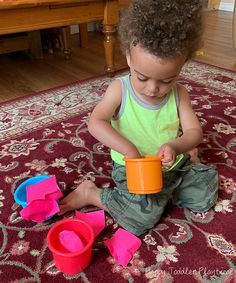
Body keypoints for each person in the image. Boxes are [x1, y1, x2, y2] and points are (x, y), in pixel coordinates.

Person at [59, 0, 218, 236]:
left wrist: (176, 145)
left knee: (205, 193)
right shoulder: (119, 89)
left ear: (182, 66)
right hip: (132, 167)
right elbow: (95, 122)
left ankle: (166, 189)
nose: (152, 89)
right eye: (142, 78)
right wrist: (129, 150)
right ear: (129, 58)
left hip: (170, 163)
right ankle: (91, 194)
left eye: (166, 80)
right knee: (140, 218)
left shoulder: (180, 94)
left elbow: (194, 132)